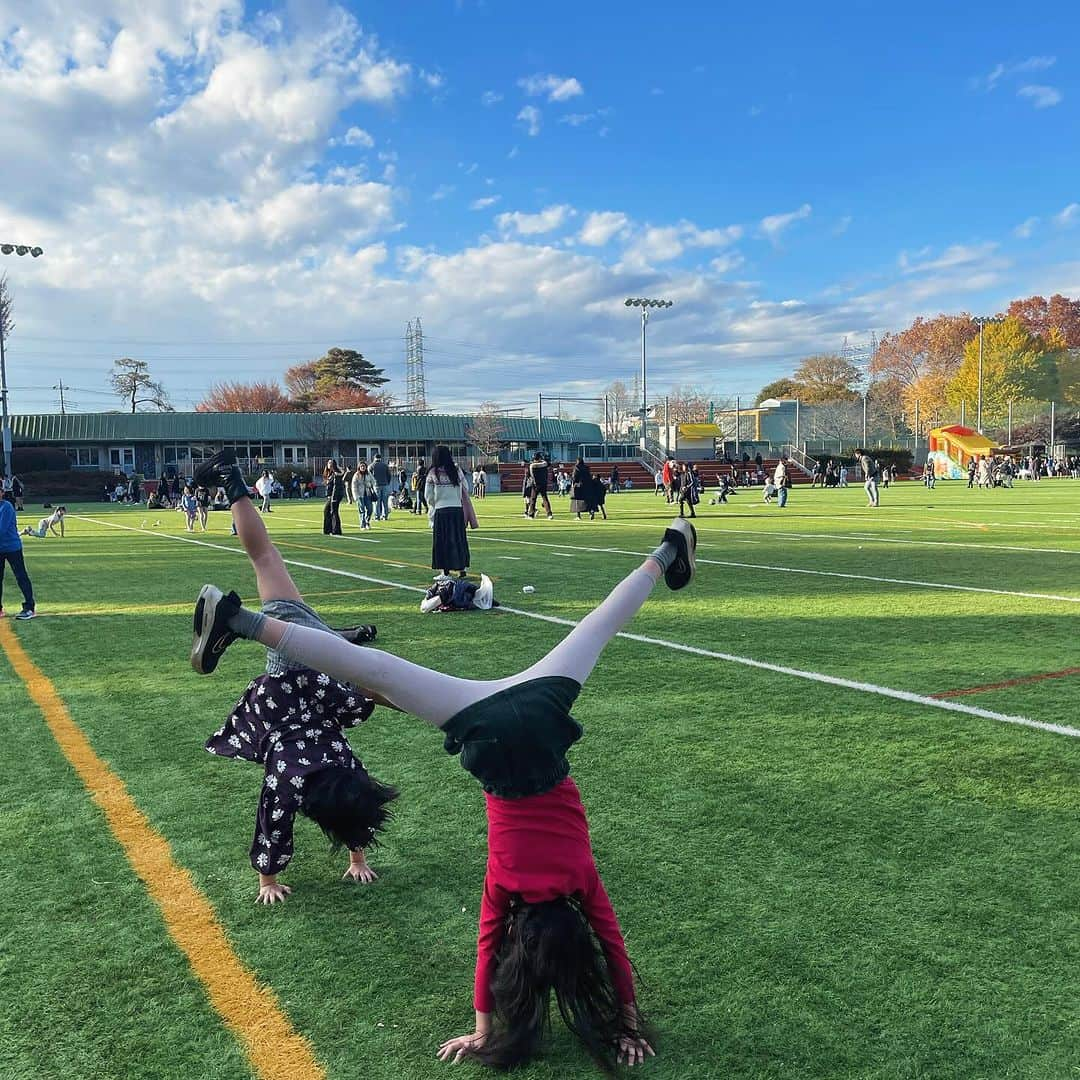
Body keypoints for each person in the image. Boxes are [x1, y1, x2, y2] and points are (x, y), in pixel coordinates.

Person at [189, 516, 697, 1070]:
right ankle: (241, 620)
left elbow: (613, 948)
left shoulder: (580, 881)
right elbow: (486, 955)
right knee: (375, 668)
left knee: (600, 624)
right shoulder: (506, 886)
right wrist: (484, 1031)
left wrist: (626, 1017)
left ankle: (669, 547)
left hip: (542, 712)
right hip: (483, 730)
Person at [189, 450, 391, 903]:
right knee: (263, 559)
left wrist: (360, 691)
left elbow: (354, 710)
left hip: (310, 671)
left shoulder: (337, 763)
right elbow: (275, 822)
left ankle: (333, 638)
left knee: (267, 559)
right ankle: (236, 618)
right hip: (295, 666)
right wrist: (268, 881)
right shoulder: (294, 776)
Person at [425, 445, 477, 578]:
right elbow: (465, 486)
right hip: (457, 510)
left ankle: (445, 571)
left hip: (441, 510)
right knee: (458, 539)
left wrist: (434, 504)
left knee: (442, 541)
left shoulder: (433, 472)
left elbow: (428, 495)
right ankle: (462, 568)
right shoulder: (456, 470)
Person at [0, 495, 36, 619]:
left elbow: (1, 530)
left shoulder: (6, 507)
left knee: (21, 576)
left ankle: (29, 608)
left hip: (12, 548)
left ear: (2, 492)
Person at [526, 453, 553, 520]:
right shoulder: (544, 464)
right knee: (545, 499)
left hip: (535, 484)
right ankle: (549, 514)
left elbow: (528, 475)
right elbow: (549, 463)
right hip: (543, 483)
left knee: (533, 499)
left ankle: (531, 515)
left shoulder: (532, 465)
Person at [352, 461, 377, 530]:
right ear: (359, 467)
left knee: (370, 509)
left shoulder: (368, 474)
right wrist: (355, 496)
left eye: (364, 466)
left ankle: (367, 521)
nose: (363, 467)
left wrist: (370, 485)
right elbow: (354, 486)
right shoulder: (356, 475)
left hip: (368, 494)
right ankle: (362, 525)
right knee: (362, 510)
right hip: (360, 495)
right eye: (361, 466)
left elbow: (374, 481)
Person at [323, 461, 345, 536]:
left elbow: (336, 487)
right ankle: (328, 529)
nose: (329, 464)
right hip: (331, 496)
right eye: (328, 463)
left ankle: (336, 530)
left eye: (331, 463)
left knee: (334, 511)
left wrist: (334, 497)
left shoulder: (336, 474)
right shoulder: (330, 473)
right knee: (327, 510)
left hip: (335, 495)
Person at [371, 455, 392, 521]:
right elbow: (389, 475)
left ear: (374, 458)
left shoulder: (372, 466)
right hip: (385, 485)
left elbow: (369, 476)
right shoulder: (385, 465)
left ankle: (377, 516)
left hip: (376, 485)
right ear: (380, 458)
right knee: (385, 501)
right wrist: (387, 482)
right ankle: (385, 516)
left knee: (377, 502)